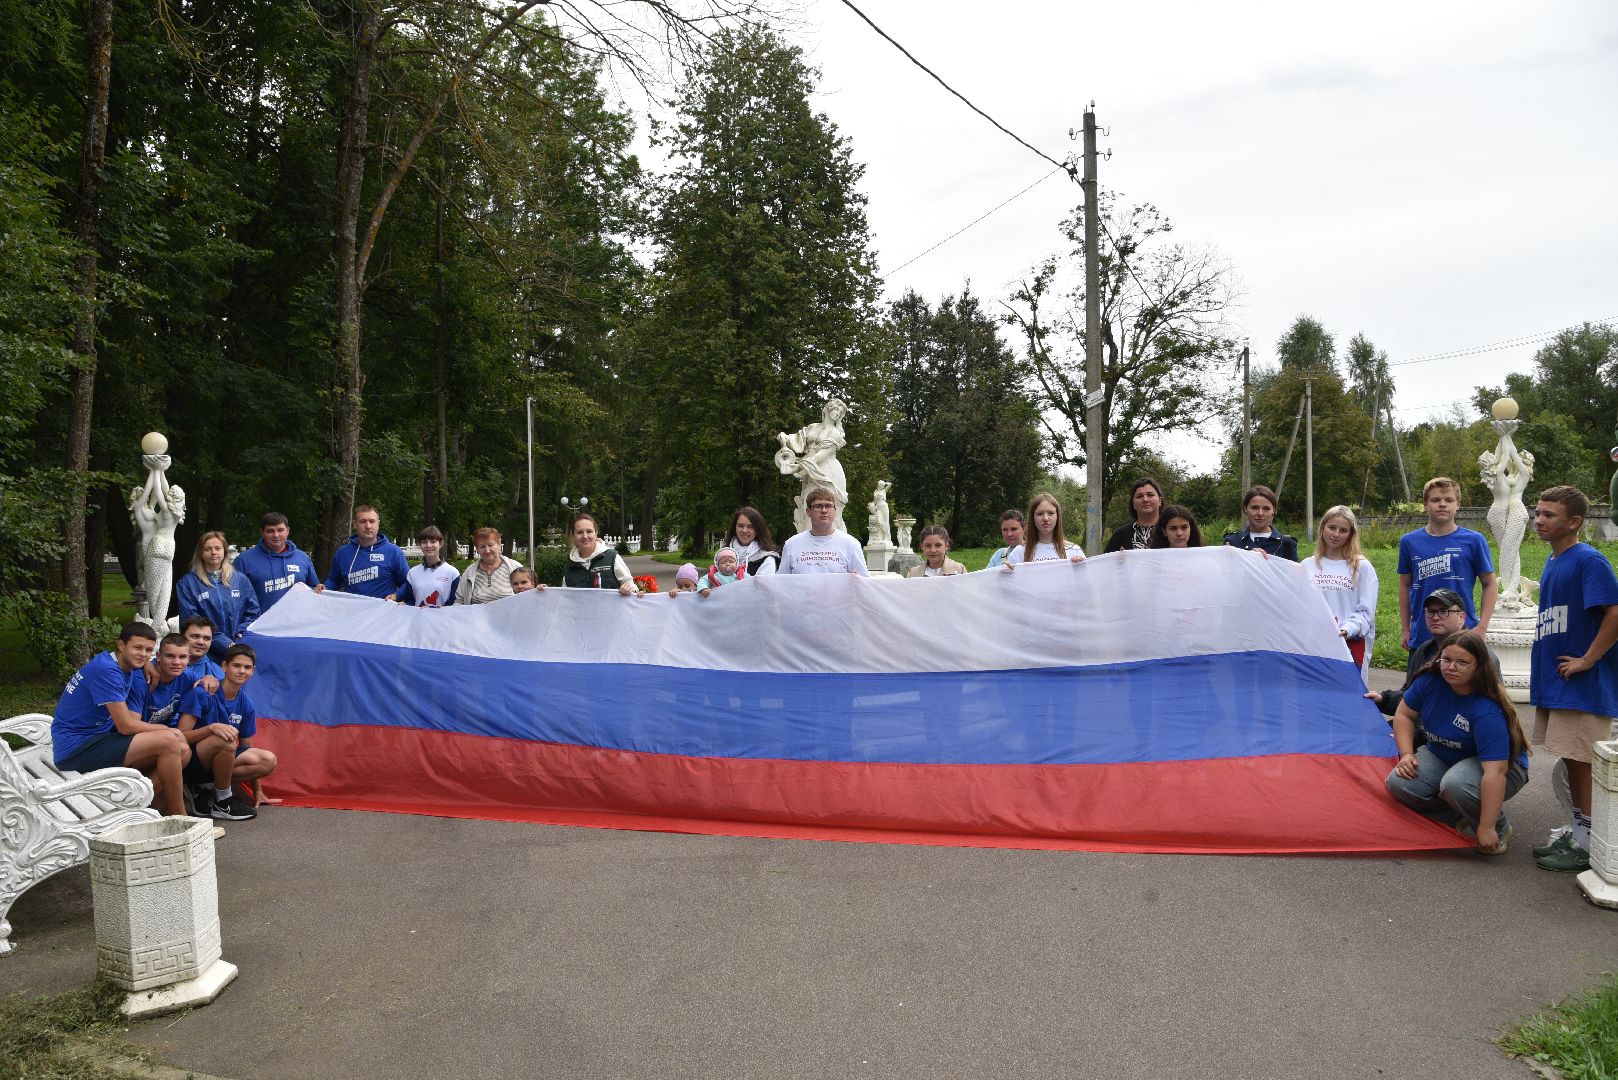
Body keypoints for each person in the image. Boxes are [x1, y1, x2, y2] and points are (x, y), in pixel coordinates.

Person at [1527, 484, 1618, 873]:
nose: (1539, 520)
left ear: (1575, 521)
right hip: (1559, 685)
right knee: (1571, 759)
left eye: (1549, 515)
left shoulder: (1588, 560)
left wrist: (1586, 660)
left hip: (1583, 686)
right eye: (1537, 513)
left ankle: (1588, 842)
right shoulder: (1553, 561)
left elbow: (1614, 614)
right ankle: (1580, 829)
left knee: (1583, 763)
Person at [1385, 629, 1530, 855]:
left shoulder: (1487, 710)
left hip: (1501, 768)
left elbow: (1495, 773)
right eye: (1447, 659)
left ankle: (1499, 828)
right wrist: (1406, 754)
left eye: (1462, 662)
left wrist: (1487, 827)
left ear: (1479, 666)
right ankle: (1457, 816)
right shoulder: (1430, 681)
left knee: (1455, 785)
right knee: (1399, 783)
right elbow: (1404, 715)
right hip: (1444, 753)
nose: (1451, 667)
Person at [50, 623, 190, 816]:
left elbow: (139, 660)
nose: (143, 654)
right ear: (121, 645)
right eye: (137, 648)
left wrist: (146, 663)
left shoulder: (122, 663)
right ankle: (180, 817)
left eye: (148, 650)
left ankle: (148, 810)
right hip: (75, 748)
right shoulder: (107, 671)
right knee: (169, 740)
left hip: (98, 738)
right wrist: (167, 730)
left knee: (182, 750)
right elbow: (125, 726)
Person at [1397, 476, 1497, 652]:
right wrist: (1406, 629)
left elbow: (1489, 583)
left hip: (1462, 632)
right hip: (1422, 633)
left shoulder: (1474, 540)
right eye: (1435, 500)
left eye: (1449, 500)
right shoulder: (1409, 542)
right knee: (1421, 680)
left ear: (1458, 504)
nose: (1442, 504)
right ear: (1425, 504)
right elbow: (1405, 585)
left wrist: (1481, 627)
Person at [178, 643, 276, 821]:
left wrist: (257, 790)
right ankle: (223, 801)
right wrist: (210, 729)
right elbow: (180, 735)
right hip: (189, 760)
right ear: (224, 666)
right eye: (236, 665)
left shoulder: (246, 704)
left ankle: (206, 789)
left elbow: (246, 747)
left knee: (267, 760)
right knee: (224, 739)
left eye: (247, 667)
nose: (242, 671)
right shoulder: (203, 693)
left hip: (216, 763)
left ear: (253, 671)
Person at [1369, 589, 1501, 719]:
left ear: (1462, 617)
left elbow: (1488, 709)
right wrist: (1383, 699)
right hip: (1421, 726)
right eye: (1431, 612)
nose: (1436, 617)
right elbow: (1410, 697)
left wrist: (1418, 734)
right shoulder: (1423, 651)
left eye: (1444, 611)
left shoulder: (1480, 655)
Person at [1306, 505, 1379, 680]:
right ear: (1322, 528)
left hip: (1350, 645)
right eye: (1332, 527)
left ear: (1351, 534)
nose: (1336, 534)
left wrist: (1347, 629)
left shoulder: (1361, 567)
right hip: (1315, 645)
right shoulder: (1307, 566)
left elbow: (1366, 612)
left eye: (1343, 530)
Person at [176, 531, 260, 661]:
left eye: (217, 548)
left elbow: (253, 612)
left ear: (224, 552)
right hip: (206, 653)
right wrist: (222, 642)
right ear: (200, 553)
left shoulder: (240, 580)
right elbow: (190, 620)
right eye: (208, 549)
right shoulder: (187, 583)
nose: (213, 552)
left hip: (239, 648)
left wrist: (240, 636)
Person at [232, 512, 323, 614]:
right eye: (270, 531)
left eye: (280, 530)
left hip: (297, 624)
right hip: (259, 626)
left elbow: (314, 590)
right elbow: (234, 598)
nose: (276, 535)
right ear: (262, 532)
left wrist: (318, 588)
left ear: (287, 531)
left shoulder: (303, 558)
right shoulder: (244, 560)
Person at [325, 504, 410, 600]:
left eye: (372, 521)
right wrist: (325, 588)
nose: (368, 526)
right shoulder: (343, 553)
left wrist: (396, 596)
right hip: (352, 611)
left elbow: (407, 583)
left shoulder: (393, 552)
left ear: (378, 523)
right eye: (363, 522)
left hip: (384, 612)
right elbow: (333, 580)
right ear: (354, 524)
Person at [779, 487, 870, 575]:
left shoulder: (851, 544)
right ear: (808, 511)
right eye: (818, 506)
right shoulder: (792, 545)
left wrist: (857, 580)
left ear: (835, 510)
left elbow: (865, 584)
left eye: (828, 506)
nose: (824, 510)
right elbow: (781, 583)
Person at [560, 511, 636, 594]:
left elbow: (630, 585)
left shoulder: (611, 557)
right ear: (573, 535)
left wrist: (628, 588)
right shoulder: (570, 566)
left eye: (589, 531)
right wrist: (545, 593)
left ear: (596, 533)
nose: (585, 536)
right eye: (579, 532)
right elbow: (564, 598)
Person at [136, 633, 200, 729]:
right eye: (170, 656)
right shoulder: (142, 679)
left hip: (166, 733)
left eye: (182, 657)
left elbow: (204, 685)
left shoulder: (188, 676)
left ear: (188, 659)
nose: (176, 662)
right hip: (137, 735)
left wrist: (208, 678)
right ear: (158, 656)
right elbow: (131, 725)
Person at [1003, 493, 1085, 567]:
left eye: (1050, 513)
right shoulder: (1019, 552)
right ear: (1033, 518)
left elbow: (1087, 581)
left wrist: (1080, 568)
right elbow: (1009, 583)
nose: (1045, 518)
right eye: (1040, 514)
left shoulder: (1074, 551)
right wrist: (1006, 575)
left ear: (1057, 516)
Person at [1223, 485, 1299, 561]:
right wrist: (1247, 557)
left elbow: (1293, 572)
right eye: (1254, 508)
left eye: (1266, 508)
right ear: (1245, 509)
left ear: (1274, 511)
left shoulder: (1286, 544)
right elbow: (1225, 571)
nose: (1260, 513)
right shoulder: (1232, 541)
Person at [455, 527, 523, 604]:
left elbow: (529, 592)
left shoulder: (515, 568)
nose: (487, 551)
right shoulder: (470, 572)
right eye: (482, 547)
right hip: (477, 616)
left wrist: (539, 590)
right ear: (477, 549)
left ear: (499, 543)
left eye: (490, 545)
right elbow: (459, 601)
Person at [402, 525, 459, 607]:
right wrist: (404, 605)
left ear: (440, 543)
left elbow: (455, 603)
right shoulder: (412, 573)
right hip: (419, 619)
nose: (428, 545)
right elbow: (410, 600)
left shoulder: (452, 573)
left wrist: (433, 610)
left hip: (443, 619)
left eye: (433, 541)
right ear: (420, 545)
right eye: (424, 542)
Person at [1104, 478, 1165, 552]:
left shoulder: (1171, 530)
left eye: (1150, 495)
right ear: (1133, 503)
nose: (1145, 500)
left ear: (1160, 501)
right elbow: (1105, 562)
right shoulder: (1120, 535)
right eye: (1139, 496)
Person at [725, 507, 780, 576]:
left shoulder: (767, 559)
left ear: (758, 529)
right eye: (740, 526)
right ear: (735, 527)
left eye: (750, 527)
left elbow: (763, 586)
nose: (744, 530)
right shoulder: (722, 554)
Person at [180, 615, 224, 686]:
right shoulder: (164, 665)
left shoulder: (217, 673)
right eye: (195, 636)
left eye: (206, 638)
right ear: (182, 637)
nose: (201, 642)